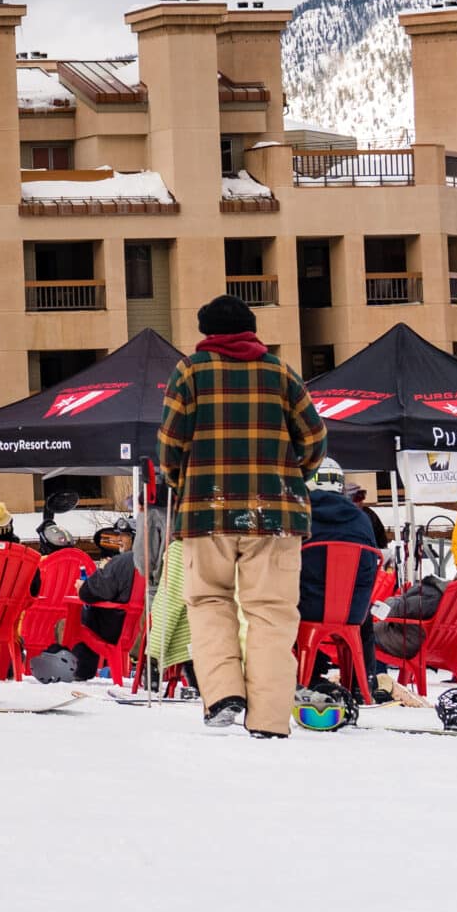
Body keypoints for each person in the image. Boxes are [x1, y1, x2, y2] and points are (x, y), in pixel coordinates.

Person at [157, 293, 326, 737]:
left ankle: (224, 693)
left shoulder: (190, 372)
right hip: (276, 515)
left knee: (208, 602)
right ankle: (270, 721)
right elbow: (314, 438)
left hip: (205, 511)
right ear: (251, 329)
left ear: (206, 333)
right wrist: (290, 477)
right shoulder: (281, 373)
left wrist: (182, 481)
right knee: (272, 613)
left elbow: (170, 443)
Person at [300, 457, 378, 627]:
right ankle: (362, 654)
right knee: (366, 623)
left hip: (305, 608)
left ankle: (312, 654)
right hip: (354, 611)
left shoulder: (300, 517)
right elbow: (371, 564)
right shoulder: (362, 520)